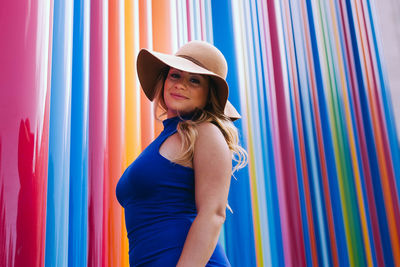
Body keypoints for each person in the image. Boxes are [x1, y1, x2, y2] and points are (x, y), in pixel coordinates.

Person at [116, 40, 247, 266]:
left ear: (209, 95)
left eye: (194, 80)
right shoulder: (167, 138)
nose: (181, 84)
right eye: (175, 75)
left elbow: (213, 214)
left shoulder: (206, 132)